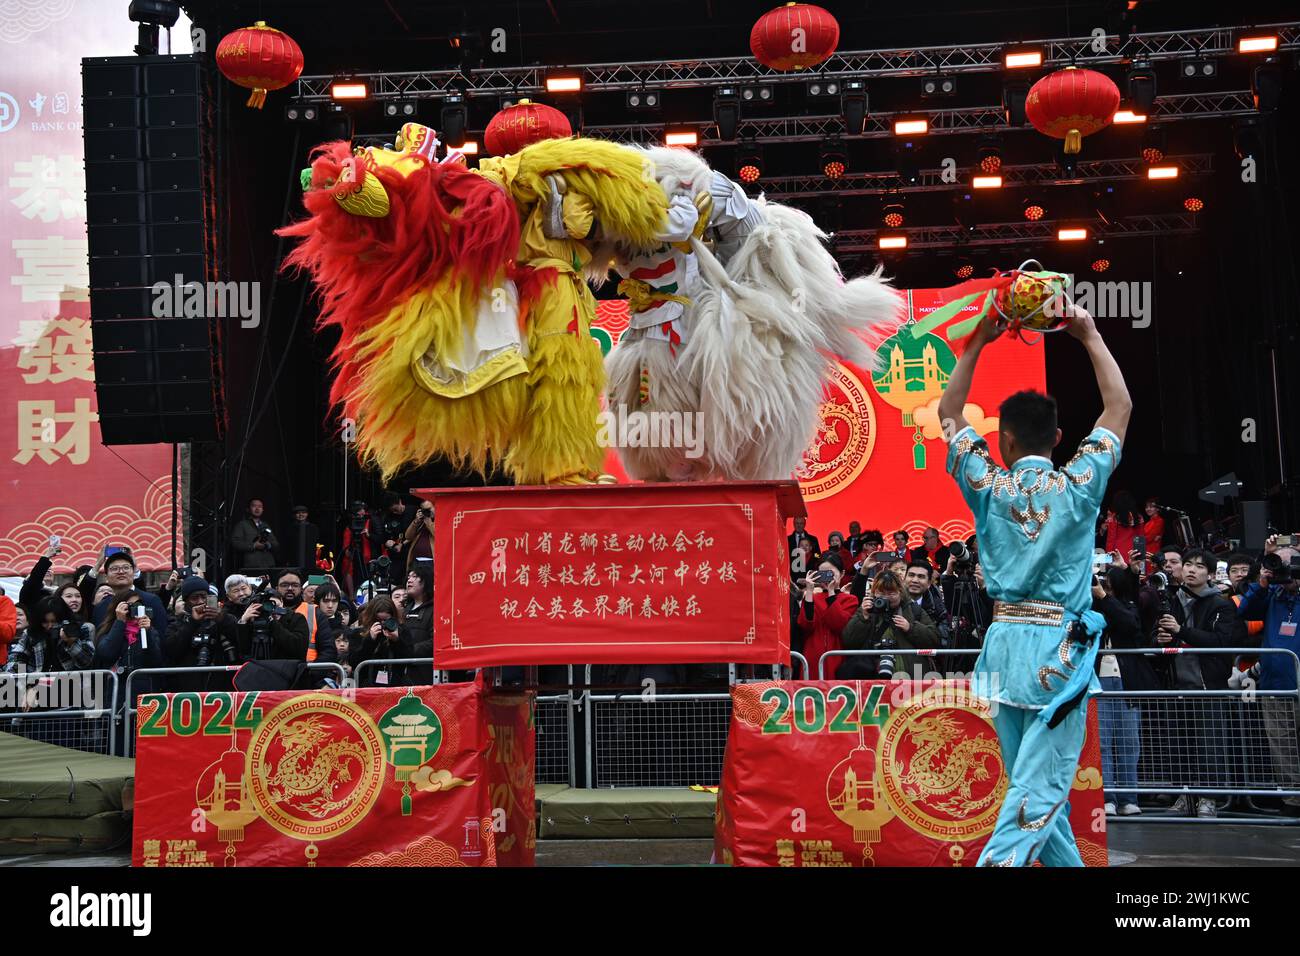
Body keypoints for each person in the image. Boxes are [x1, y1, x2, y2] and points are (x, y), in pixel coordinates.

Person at [938, 301, 1130, 867]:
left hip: (1001, 652)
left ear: (1003, 442)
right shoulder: (1079, 486)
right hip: (1057, 658)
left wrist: (978, 342)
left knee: (1039, 799)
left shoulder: (988, 485)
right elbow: (1119, 405)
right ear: (1060, 437)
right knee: (1036, 797)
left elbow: (950, 412)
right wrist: (1089, 335)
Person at [1155, 548, 1249, 818]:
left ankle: (1209, 799)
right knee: (1179, 744)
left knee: (1210, 746)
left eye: (1198, 566)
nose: (1191, 570)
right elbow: (1157, 634)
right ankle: (1184, 797)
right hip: (1176, 685)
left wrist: (1180, 631)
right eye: (1187, 564)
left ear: (1209, 574)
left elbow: (1220, 642)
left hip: (1207, 686)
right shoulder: (1172, 600)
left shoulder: (1220, 604)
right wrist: (1159, 640)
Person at [1235, 535, 1300, 816]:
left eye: (1290, 565)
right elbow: (1244, 611)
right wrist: (1263, 579)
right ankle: (1292, 800)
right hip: (1276, 684)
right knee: (1282, 745)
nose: (1284, 573)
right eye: (1278, 566)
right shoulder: (1272, 594)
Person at [1093, 566, 1154, 817]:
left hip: (1127, 680)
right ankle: (1107, 797)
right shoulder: (1091, 607)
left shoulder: (1127, 605)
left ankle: (1129, 797)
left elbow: (1129, 624)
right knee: (1103, 743)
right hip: (1100, 680)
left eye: (1107, 584)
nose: (1101, 587)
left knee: (1129, 742)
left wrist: (1106, 598)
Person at [840, 570, 940, 680]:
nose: (886, 597)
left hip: (910, 679)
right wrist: (863, 618)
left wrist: (911, 628)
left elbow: (934, 640)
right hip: (872, 680)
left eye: (891, 593)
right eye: (881, 593)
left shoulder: (913, 610)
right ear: (874, 592)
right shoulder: (868, 610)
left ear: (900, 592)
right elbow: (848, 642)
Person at [163, 578, 242, 690]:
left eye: (203, 597)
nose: (200, 601)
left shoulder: (223, 619)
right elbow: (171, 650)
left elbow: (242, 640)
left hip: (221, 688)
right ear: (186, 601)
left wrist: (222, 619)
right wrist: (192, 623)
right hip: (188, 689)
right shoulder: (177, 624)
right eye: (194, 598)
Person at [794, 553, 859, 679]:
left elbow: (838, 624)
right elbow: (806, 625)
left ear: (842, 573)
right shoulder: (812, 597)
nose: (827, 578)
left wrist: (831, 592)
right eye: (822, 574)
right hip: (812, 657)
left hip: (837, 656)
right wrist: (808, 592)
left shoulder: (850, 599)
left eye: (830, 573)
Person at [3, 596, 94, 674]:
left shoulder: (80, 628)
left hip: (70, 685)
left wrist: (71, 643)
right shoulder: (31, 633)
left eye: (54, 621)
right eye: (45, 622)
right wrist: (22, 682)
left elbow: (86, 662)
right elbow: (17, 656)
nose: (50, 626)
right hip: (37, 684)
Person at [92, 551, 168, 634]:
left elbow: (162, 633)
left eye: (126, 567)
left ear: (133, 572)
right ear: (106, 576)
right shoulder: (101, 606)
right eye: (114, 569)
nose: (121, 572)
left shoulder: (151, 600)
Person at [350, 596, 414, 687]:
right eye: (378, 620)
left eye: (386, 620)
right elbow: (353, 661)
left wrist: (396, 640)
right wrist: (370, 640)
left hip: (395, 686)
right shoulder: (358, 633)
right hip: (367, 687)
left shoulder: (402, 631)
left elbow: (410, 659)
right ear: (371, 617)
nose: (382, 623)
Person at [1104, 491, 1142, 562]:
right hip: (1134, 554)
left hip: (1118, 555)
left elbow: (1111, 540)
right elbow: (1141, 538)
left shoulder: (1114, 518)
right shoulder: (1139, 517)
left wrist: (1107, 559)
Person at [404, 500, 436, 573]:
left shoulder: (441, 520)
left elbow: (439, 536)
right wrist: (416, 521)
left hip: (431, 562)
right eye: (424, 510)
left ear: (435, 507)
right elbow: (408, 536)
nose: (427, 512)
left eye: (429, 509)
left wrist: (429, 522)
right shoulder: (421, 522)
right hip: (416, 561)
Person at [286, 505, 320, 573]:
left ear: (307, 514)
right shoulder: (290, 528)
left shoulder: (313, 528)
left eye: (303, 512)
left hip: (310, 560)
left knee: (312, 579)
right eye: (298, 513)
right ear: (295, 515)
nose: (301, 514)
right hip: (294, 561)